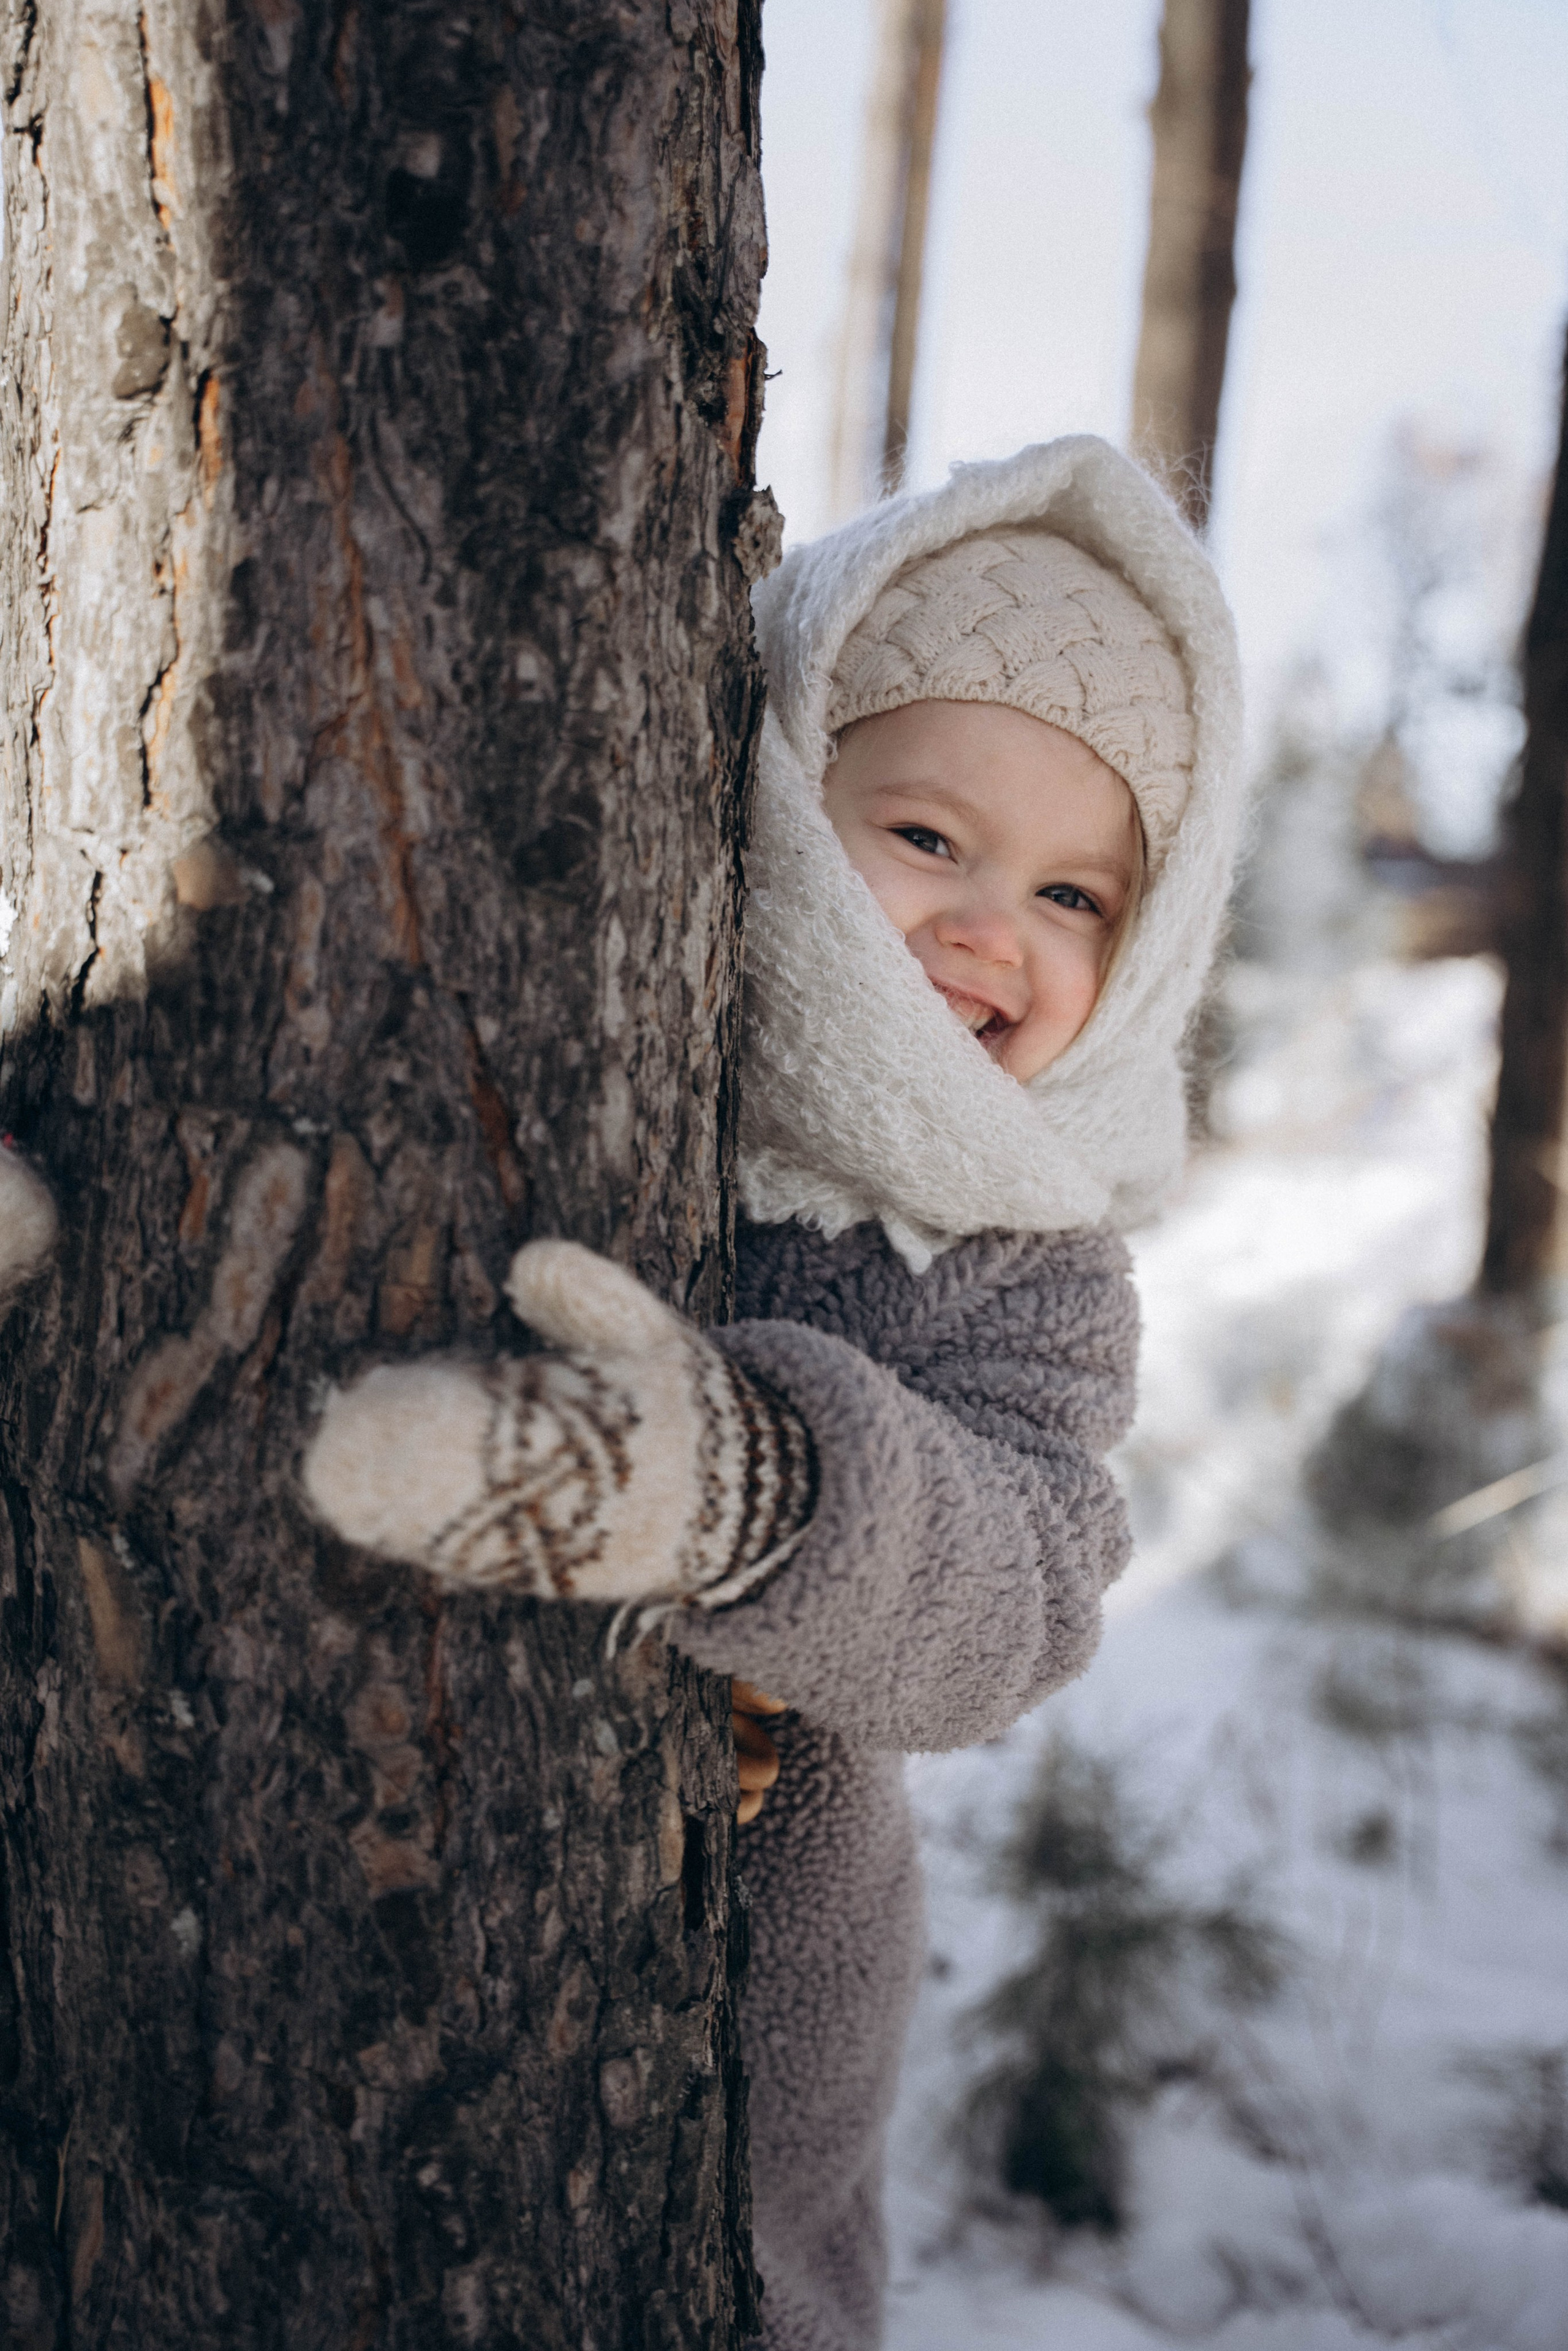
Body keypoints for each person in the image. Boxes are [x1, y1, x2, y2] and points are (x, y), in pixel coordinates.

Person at [0, 436, 1245, 2351]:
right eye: (927, 837)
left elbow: (1032, 1584)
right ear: (774, 789)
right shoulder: (607, 1019)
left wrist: (757, 1489)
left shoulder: (1021, 1243)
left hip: (724, 2017)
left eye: (1079, 892)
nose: (1001, 926)